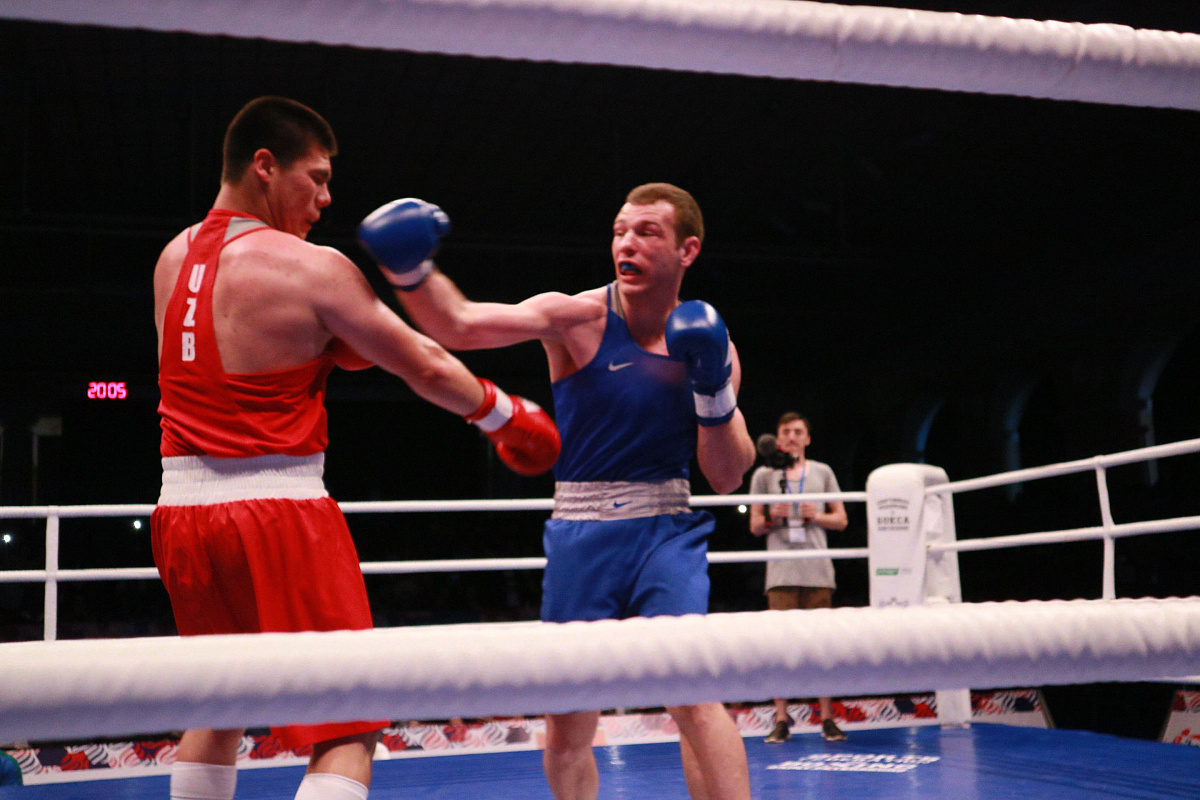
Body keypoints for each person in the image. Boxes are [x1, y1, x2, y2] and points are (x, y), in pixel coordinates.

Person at [151, 96, 559, 800]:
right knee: (347, 726)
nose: (326, 198)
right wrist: (504, 414)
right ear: (265, 165)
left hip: (181, 515)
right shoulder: (311, 267)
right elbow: (424, 364)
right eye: (316, 177)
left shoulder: (171, 258)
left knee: (216, 708)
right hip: (279, 510)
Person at [357, 183, 756, 800]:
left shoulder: (712, 342)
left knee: (696, 697)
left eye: (646, 231)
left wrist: (712, 390)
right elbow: (460, 324)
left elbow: (727, 475)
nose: (626, 243)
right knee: (569, 725)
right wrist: (411, 271)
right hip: (581, 532)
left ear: (687, 250)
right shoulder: (578, 317)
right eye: (620, 230)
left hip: (666, 531)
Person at [748, 412, 849, 743]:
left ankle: (828, 718)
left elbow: (841, 520)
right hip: (781, 573)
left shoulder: (822, 471)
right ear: (777, 439)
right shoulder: (763, 475)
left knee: (822, 648)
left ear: (807, 438)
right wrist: (771, 518)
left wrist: (816, 515)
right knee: (781, 647)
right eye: (786, 432)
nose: (791, 437)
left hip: (818, 571)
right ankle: (781, 719)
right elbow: (754, 525)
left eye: (797, 431)